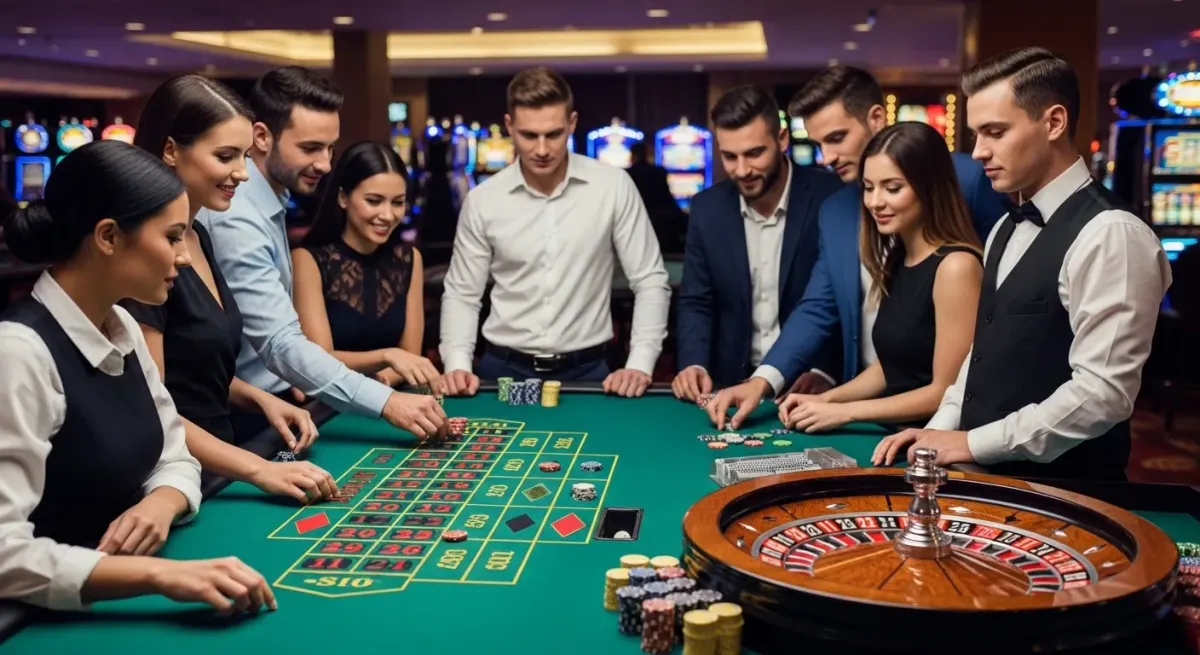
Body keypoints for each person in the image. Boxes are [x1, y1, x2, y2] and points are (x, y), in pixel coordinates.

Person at [872, 47, 1172, 482]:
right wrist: (938, 429)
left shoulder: (1112, 234)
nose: (978, 152)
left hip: (1067, 494)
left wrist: (973, 443)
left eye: (995, 132)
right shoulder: (1004, 227)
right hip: (986, 480)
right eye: (976, 135)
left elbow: (1102, 395)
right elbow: (982, 354)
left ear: (1054, 122)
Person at [0, 140, 274, 613]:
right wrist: (159, 575)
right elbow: (6, 553)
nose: (183, 257)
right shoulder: (19, 352)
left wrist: (161, 503)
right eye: (172, 237)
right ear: (108, 237)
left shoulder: (122, 323)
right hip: (41, 619)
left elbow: (175, 454)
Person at [706, 65, 1008, 431]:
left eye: (836, 138)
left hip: (952, 420)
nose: (827, 157)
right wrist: (764, 381)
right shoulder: (835, 211)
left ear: (876, 118)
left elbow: (1002, 296)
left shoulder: (972, 180)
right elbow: (819, 307)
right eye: (818, 144)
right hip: (873, 399)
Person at [196, 66, 446, 442]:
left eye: (330, 147)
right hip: (244, 413)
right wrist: (387, 402)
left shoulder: (268, 201)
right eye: (310, 148)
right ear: (261, 137)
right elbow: (280, 344)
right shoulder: (238, 216)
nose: (326, 164)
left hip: (280, 397)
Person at [120, 74, 336, 504]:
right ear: (170, 150)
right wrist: (259, 469)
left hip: (216, 464)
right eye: (225, 156)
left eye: (244, 155)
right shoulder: (143, 253)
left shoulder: (199, 233)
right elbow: (153, 408)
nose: (241, 172)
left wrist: (259, 398)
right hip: (168, 480)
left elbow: (194, 368)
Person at [439, 67, 671, 397]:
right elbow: (463, 293)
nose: (542, 149)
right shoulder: (482, 200)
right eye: (529, 135)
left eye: (554, 134)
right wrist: (457, 364)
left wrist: (640, 364)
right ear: (509, 126)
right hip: (502, 369)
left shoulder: (613, 186)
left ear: (572, 123)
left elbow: (650, 280)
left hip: (589, 370)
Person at [777, 121, 983, 433]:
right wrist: (824, 400)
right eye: (869, 187)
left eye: (893, 188)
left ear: (930, 187)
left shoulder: (957, 267)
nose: (874, 202)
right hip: (891, 434)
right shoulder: (900, 256)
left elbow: (946, 392)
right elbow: (893, 367)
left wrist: (844, 412)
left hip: (930, 446)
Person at [673, 85, 842, 400]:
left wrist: (824, 371)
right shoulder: (707, 208)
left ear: (782, 139)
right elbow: (696, 301)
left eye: (754, 153)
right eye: (730, 156)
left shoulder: (831, 197)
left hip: (808, 385)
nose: (742, 170)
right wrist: (694, 363)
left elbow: (842, 302)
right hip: (730, 384)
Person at [292, 141, 440, 390]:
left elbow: (410, 355)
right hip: (329, 401)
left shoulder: (409, 258)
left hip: (392, 396)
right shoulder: (307, 260)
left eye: (397, 202)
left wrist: (377, 387)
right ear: (343, 198)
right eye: (374, 201)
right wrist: (387, 357)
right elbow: (318, 360)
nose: (387, 215)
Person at [625, 140, 687, 255]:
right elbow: (667, 201)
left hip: (635, 229)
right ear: (647, 155)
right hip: (662, 228)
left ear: (633, 155)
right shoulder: (658, 172)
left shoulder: (626, 174)